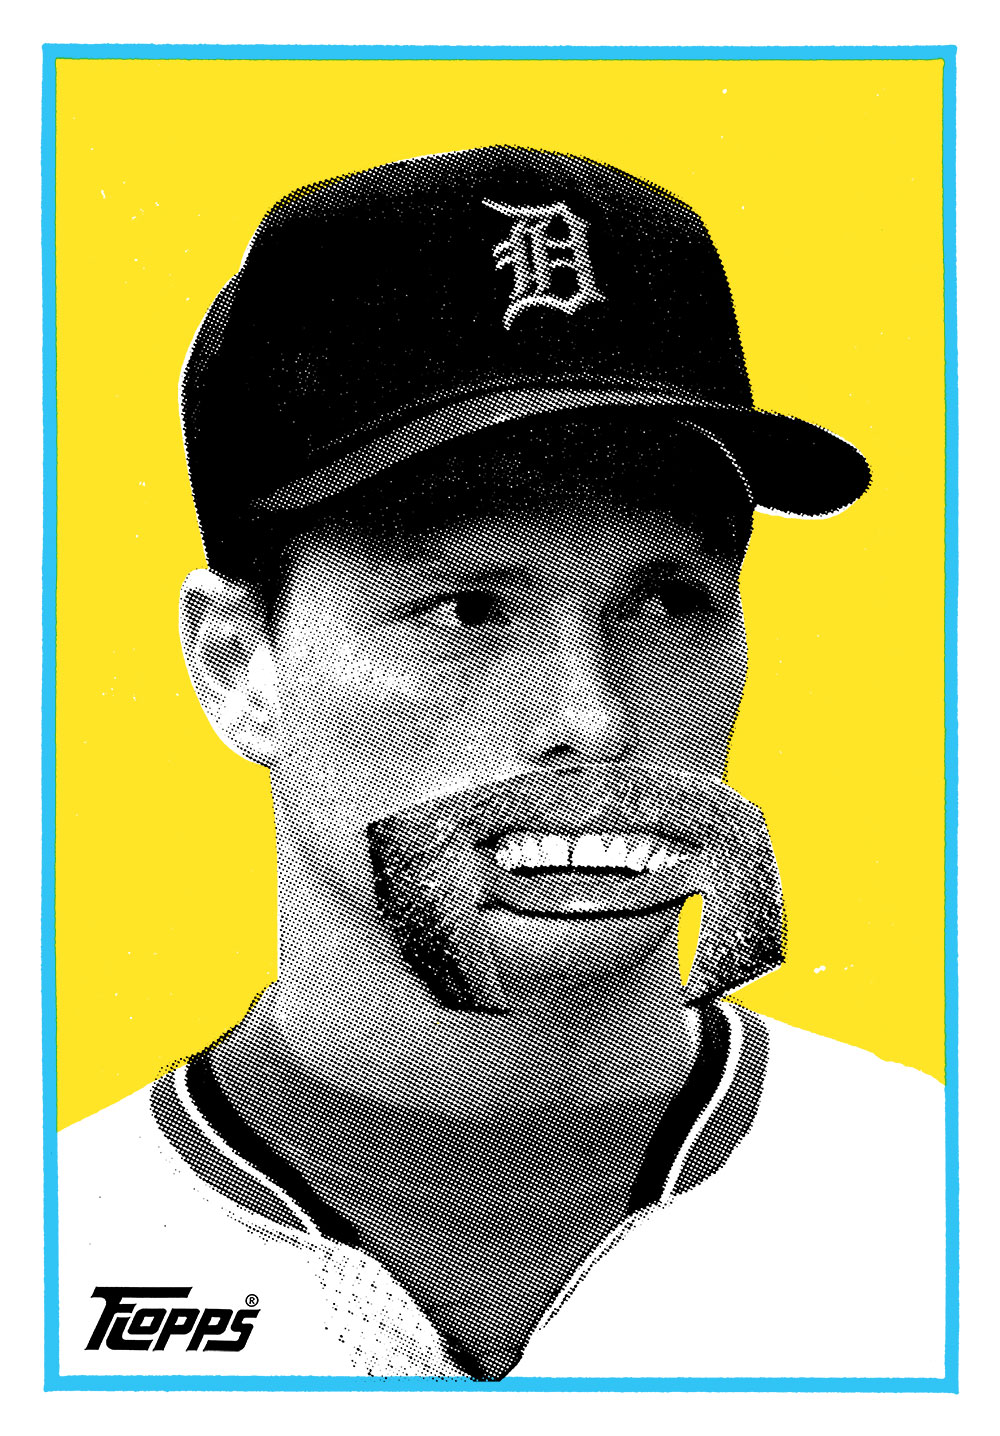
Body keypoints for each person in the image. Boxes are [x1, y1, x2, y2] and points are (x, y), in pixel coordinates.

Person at [59, 146, 944, 1383]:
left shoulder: (945, 1210)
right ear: (236, 664)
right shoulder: (49, 1264)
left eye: (664, 600)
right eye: (468, 608)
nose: (591, 717)